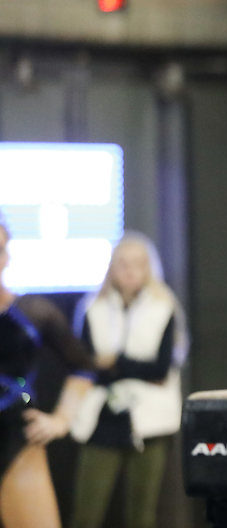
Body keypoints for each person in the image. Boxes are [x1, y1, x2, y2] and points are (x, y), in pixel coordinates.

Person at [69, 232, 187, 528]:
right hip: (102, 417)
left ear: (150, 268)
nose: (130, 271)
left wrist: (116, 362)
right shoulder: (91, 308)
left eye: (138, 264)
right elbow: (85, 364)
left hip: (149, 422)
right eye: (123, 264)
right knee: (86, 514)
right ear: (111, 267)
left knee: (142, 515)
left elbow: (161, 368)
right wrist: (130, 366)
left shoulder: (165, 307)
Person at [0, 213, 95, 528]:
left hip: (15, 440)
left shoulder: (32, 312)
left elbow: (83, 366)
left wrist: (62, 419)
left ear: (7, 255)